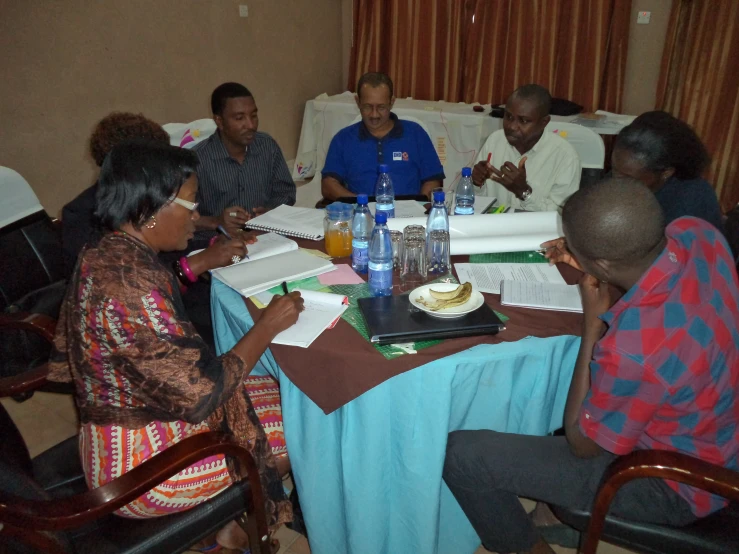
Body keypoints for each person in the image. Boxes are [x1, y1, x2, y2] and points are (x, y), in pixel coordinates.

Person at [443, 178, 739, 554]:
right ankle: (554, 518)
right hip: (720, 431)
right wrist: (592, 257)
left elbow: (582, 443)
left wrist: (593, 323)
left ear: (600, 264)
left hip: (676, 483)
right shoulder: (699, 235)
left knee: (463, 455)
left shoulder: (635, 349)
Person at [49, 140, 304, 548]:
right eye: (189, 205)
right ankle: (250, 527)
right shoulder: (132, 288)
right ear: (148, 211)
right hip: (139, 471)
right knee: (298, 429)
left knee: (279, 395)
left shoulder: (108, 251)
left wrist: (197, 263)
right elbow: (206, 392)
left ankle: (225, 524)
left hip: (123, 426)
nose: (198, 217)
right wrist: (268, 325)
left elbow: (145, 323)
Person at [61, 112, 250, 348]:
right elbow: (131, 293)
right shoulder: (82, 218)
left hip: (175, 294)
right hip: (145, 324)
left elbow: (175, 248)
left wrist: (214, 248)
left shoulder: (151, 207)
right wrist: (197, 264)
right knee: (238, 328)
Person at [542, 111, 724, 270]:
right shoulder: (625, 176)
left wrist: (591, 262)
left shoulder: (690, 205)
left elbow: (664, 271)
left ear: (665, 173)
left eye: (627, 177)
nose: (616, 182)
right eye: (614, 170)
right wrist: (578, 247)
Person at [321, 72, 445, 200]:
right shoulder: (343, 139)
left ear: (391, 102)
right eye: (368, 107)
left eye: (381, 107)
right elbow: (329, 185)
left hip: (409, 216)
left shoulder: (415, 133)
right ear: (358, 102)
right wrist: (360, 205)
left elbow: (433, 181)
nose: (374, 115)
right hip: (360, 214)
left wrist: (416, 207)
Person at [194, 82, 296, 236]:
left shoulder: (267, 146)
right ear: (219, 121)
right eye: (239, 118)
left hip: (266, 236)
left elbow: (286, 192)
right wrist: (216, 221)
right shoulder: (197, 159)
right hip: (217, 243)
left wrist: (270, 211)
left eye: (253, 116)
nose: (250, 125)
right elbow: (178, 218)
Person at [471, 84, 580, 211]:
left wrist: (524, 192)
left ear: (544, 122)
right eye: (509, 117)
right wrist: (476, 183)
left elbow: (562, 217)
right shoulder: (494, 140)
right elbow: (475, 202)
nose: (512, 126)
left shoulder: (566, 157)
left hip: (536, 230)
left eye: (523, 121)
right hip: (495, 226)